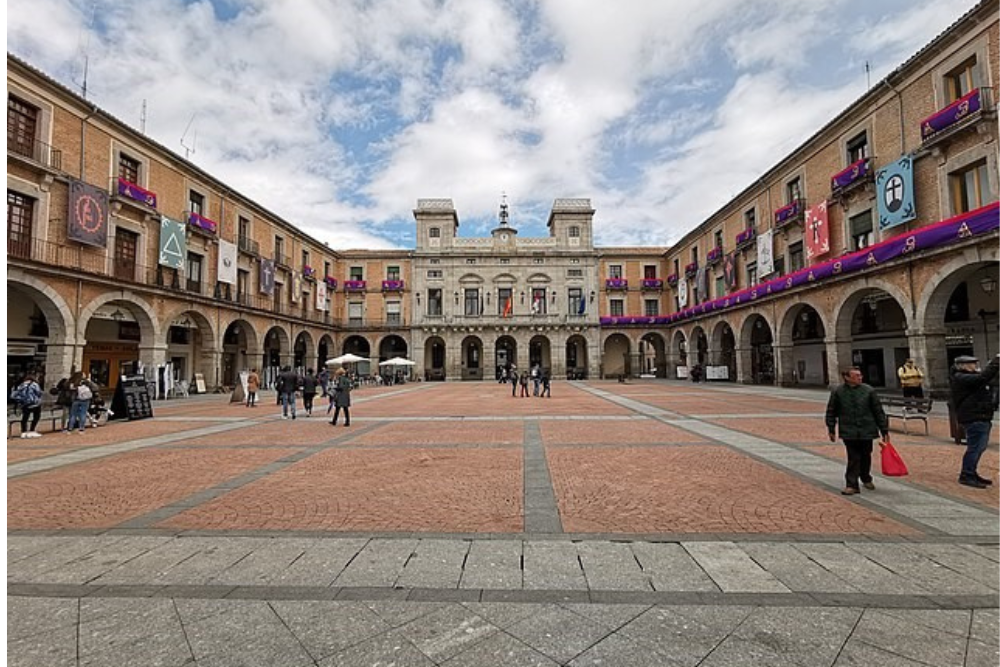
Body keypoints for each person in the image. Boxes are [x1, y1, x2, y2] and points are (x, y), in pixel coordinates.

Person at [825, 366, 889, 495]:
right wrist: (831, 428)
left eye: (860, 375)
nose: (860, 377)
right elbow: (831, 411)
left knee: (866, 455)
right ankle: (851, 484)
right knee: (853, 457)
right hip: (849, 429)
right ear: (847, 378)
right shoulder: (838, 392)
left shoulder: (869, 391)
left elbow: (878, 411)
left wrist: (884, 430)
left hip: (867, 429)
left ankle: (866, 477)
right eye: (856, 376)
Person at [949, 355, 999, 489]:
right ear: (963, 366)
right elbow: (982, 378)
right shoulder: (961, 377)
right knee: (975, 447)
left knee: (978, 447)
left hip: (980, 415)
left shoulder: (967, 377)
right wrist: (996, 362)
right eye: (972, 364)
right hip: (973, 416)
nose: (975, 366)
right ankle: (967, 474)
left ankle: (971, 472)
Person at [10, 373, 43, 438]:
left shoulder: (22, 385)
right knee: (36, 417)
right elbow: (39, 393)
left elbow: (13, 395)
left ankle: (23, 432)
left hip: (25, 404)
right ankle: (32, 431)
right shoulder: (34, 385)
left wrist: (20, 400)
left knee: (25, 418)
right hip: (35, 403)